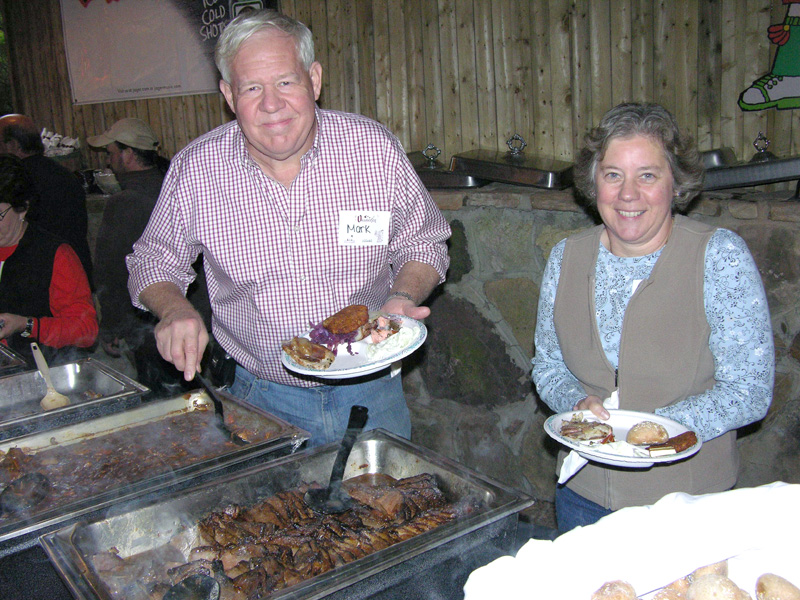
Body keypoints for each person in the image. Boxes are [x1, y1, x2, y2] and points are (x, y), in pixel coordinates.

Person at [126, 10, 451, 445]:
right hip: (261, 400)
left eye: (285, 82)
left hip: (371, 392)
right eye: (252, 88)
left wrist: (402, 296)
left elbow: (424, 241)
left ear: (314, 80)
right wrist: (175, 309)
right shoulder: (197, 169)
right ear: (228, 94)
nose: (271, 104)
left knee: (390, 508)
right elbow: (152, 261)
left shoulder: (372, 150)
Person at [531, 102, 774, 534]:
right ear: (594, 183)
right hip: (582, 500)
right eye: (613, 175)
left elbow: (750, 390)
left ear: (675, 183)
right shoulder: (566, 257)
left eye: (647, 175)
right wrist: (575, 404)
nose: (628, 194)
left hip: (687, 506)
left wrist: (655, 430)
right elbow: (548, 366)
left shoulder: (718, 257)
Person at [88, 118, 199, 397]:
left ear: (127, 154)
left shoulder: (124, 202)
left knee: (160, 399)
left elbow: (111, 272)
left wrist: (111, 325)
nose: (110, 161)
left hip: (151, 327)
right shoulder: (174, 186)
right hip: (195, 321)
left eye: (112, 153)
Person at [0, 154, 98, 366]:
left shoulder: (55, 255)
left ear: (22, 208)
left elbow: (85, 331)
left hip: (42, 373)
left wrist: (26, 325)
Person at [0, 114, 94, 288]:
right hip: (75, 271)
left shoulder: (17, 182)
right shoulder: (63, 174)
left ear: (12, 145)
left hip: (44, 278)